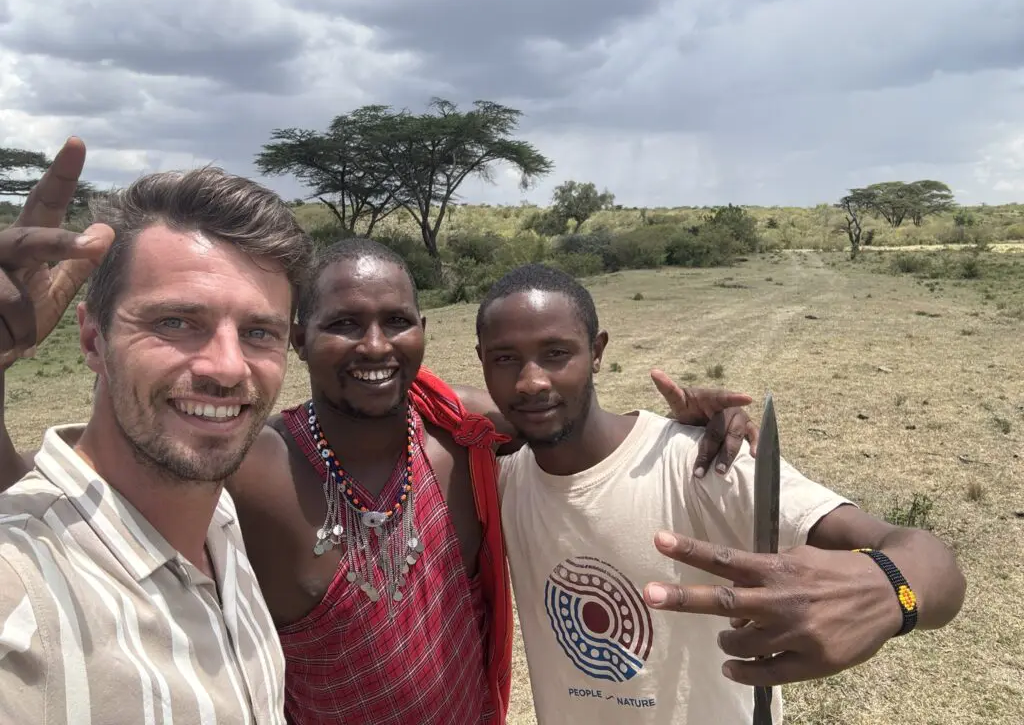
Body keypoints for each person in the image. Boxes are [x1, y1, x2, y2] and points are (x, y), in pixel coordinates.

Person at [0, 158, 758, 723]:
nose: (373, 346)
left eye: (395, 322)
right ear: (300, 339)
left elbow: (560, 418)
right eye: (343, 324)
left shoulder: (464, 438)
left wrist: (682, 427)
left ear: (423, 332)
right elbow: (73, 505)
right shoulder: (248, 464)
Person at [471, 262, 967, 724]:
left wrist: (890, 589)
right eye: (505, 359)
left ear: (597, 351)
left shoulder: (702, 462)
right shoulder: (499, 477)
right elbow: (433, 398)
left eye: (556, 353)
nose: (531, 381)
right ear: (482, 362)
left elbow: (937, 569)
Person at [0, 137, 314, 724]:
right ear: (93, 340)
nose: (228, 367)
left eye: (259, 333)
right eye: (176, 322)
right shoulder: (20, 595)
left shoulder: (219, 522)